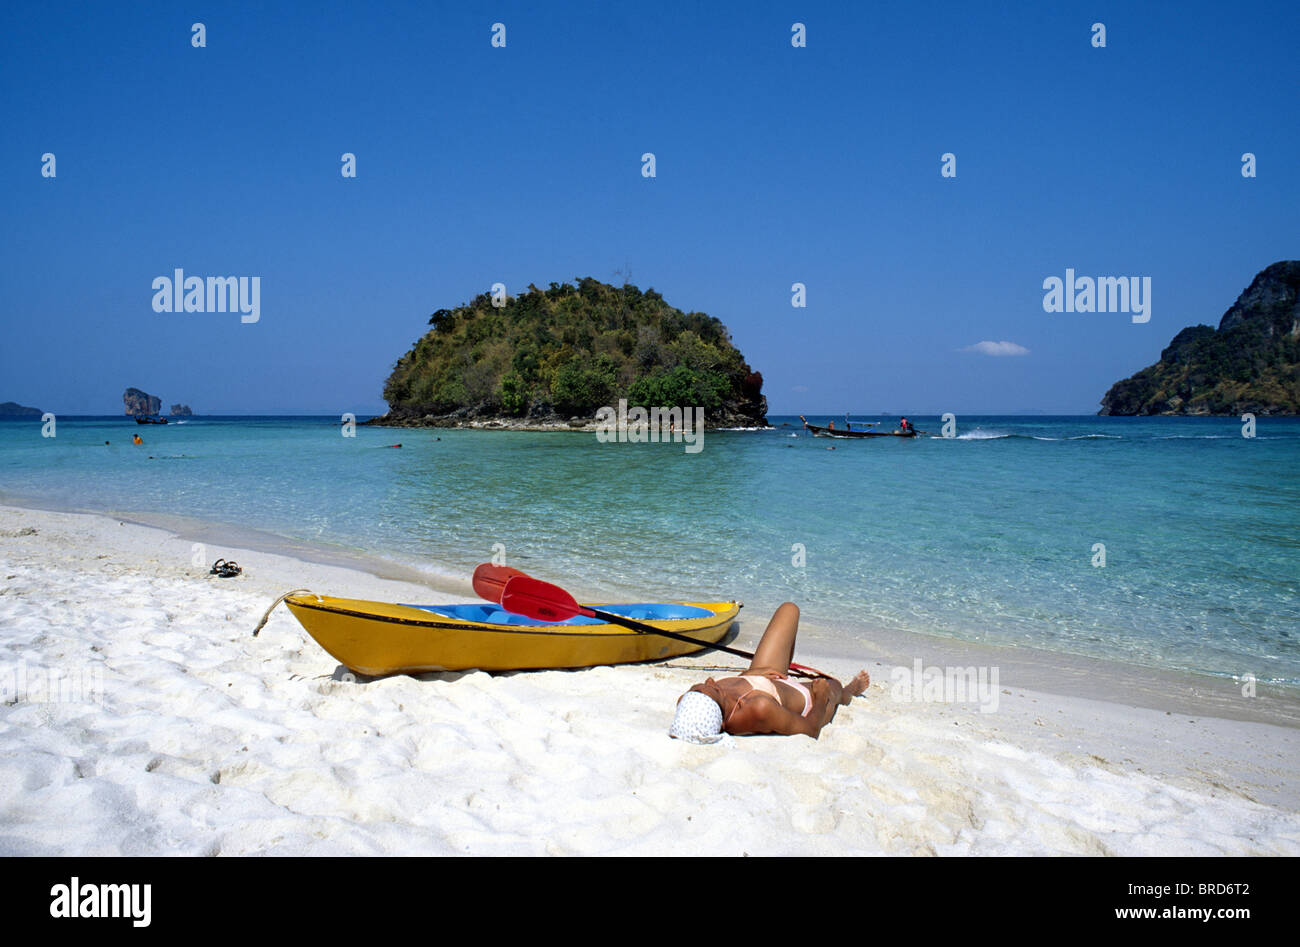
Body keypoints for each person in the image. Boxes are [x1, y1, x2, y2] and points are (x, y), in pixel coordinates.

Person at [669, 602, 871, 742]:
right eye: (714, 690)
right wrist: (820, 697)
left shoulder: (694, 702)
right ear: (722, 720)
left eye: (702, 687)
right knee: (831, 685)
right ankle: (850, 691)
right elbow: (810, 730)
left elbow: (705, 697)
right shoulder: (758, 709)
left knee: (789, 610)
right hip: (805, 699)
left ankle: (782, 672)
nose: (711, 681)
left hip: (763, 676)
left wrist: (754, 677)